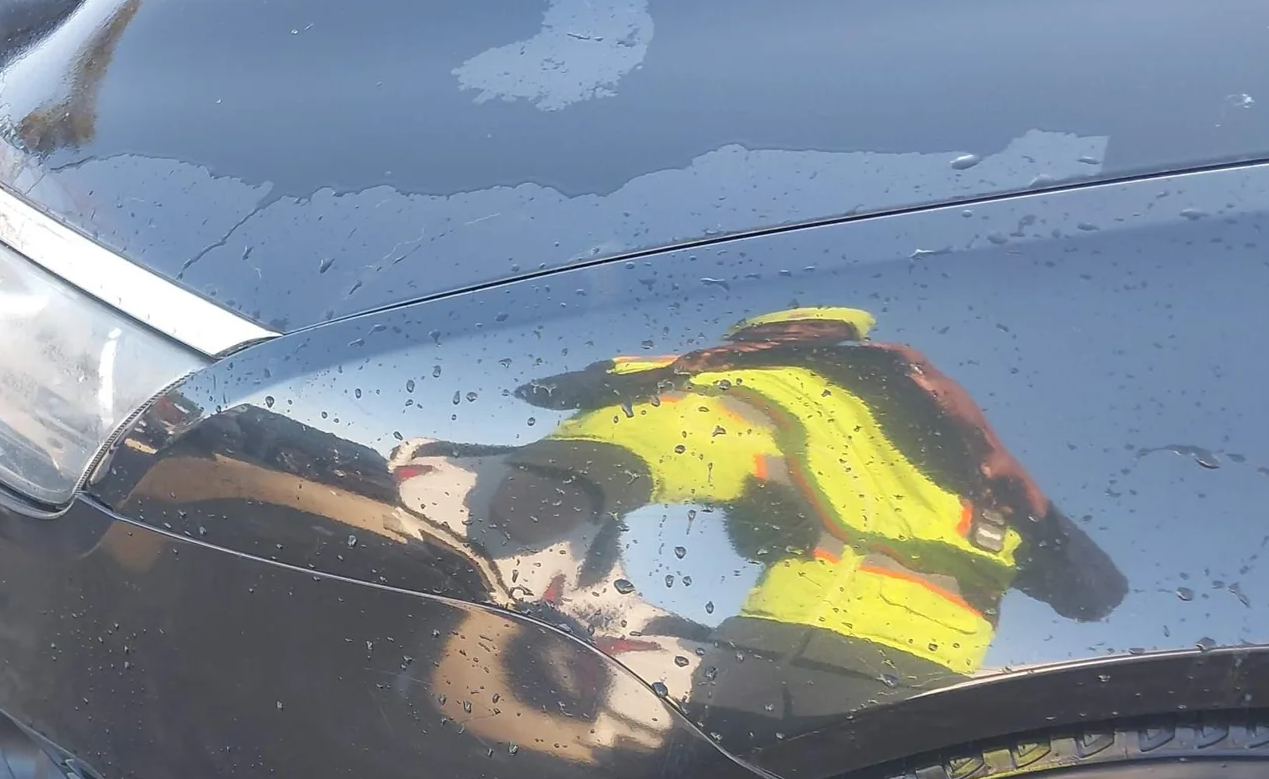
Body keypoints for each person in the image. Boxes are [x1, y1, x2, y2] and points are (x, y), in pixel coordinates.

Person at [394, 308, 1126, 745]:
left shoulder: (780, 391)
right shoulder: (977, 470)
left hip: (783, 666)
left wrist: (569, 459)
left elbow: (534, 505)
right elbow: (1094, 594)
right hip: (932, 690)